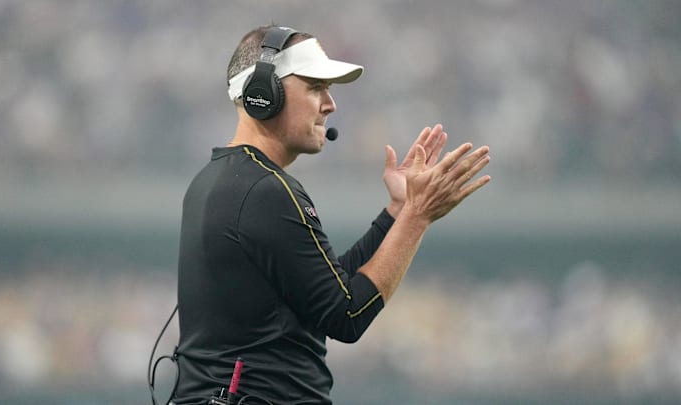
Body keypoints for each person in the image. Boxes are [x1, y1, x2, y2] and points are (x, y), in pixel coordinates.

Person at [172, 25, 491, 404]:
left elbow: (328, 291)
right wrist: (417, 218)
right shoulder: (264, 191)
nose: (330, 104)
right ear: (263, 94)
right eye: (314, 87)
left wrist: (398, 211)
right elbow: (346, 315)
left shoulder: (221, 179)